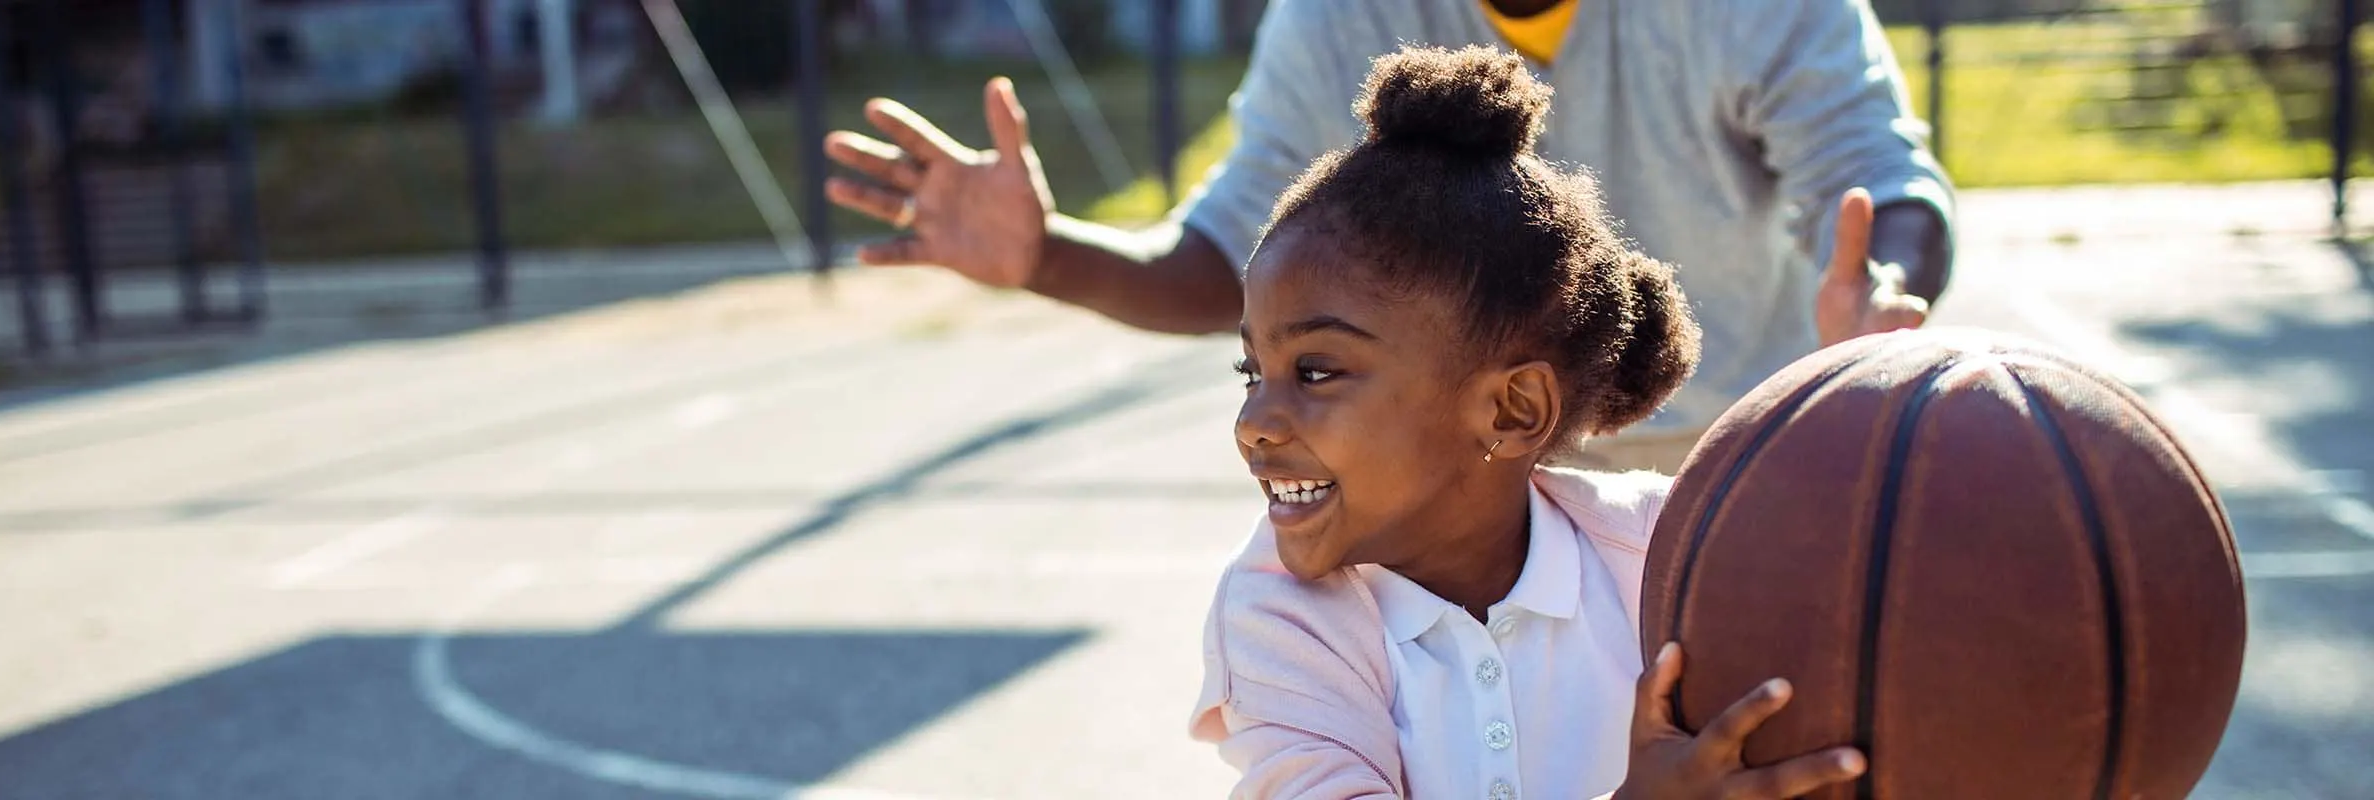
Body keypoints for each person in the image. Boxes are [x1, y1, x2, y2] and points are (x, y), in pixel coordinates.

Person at [824, 0, 1954, 472]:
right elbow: (1228, 253)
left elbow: (1878, 174)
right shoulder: (1336, 17)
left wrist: (1885, 293)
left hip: (1724, 452)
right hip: (1457, 474)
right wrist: (1047, 255)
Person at [1190, 46, 1865, 798]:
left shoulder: (1664, 554)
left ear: (1514, 411)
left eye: (1315, 372)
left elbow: (1872, 609)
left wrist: (1861, 400)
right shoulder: (1278, 616)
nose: (1254, 421)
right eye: (1254, 373)